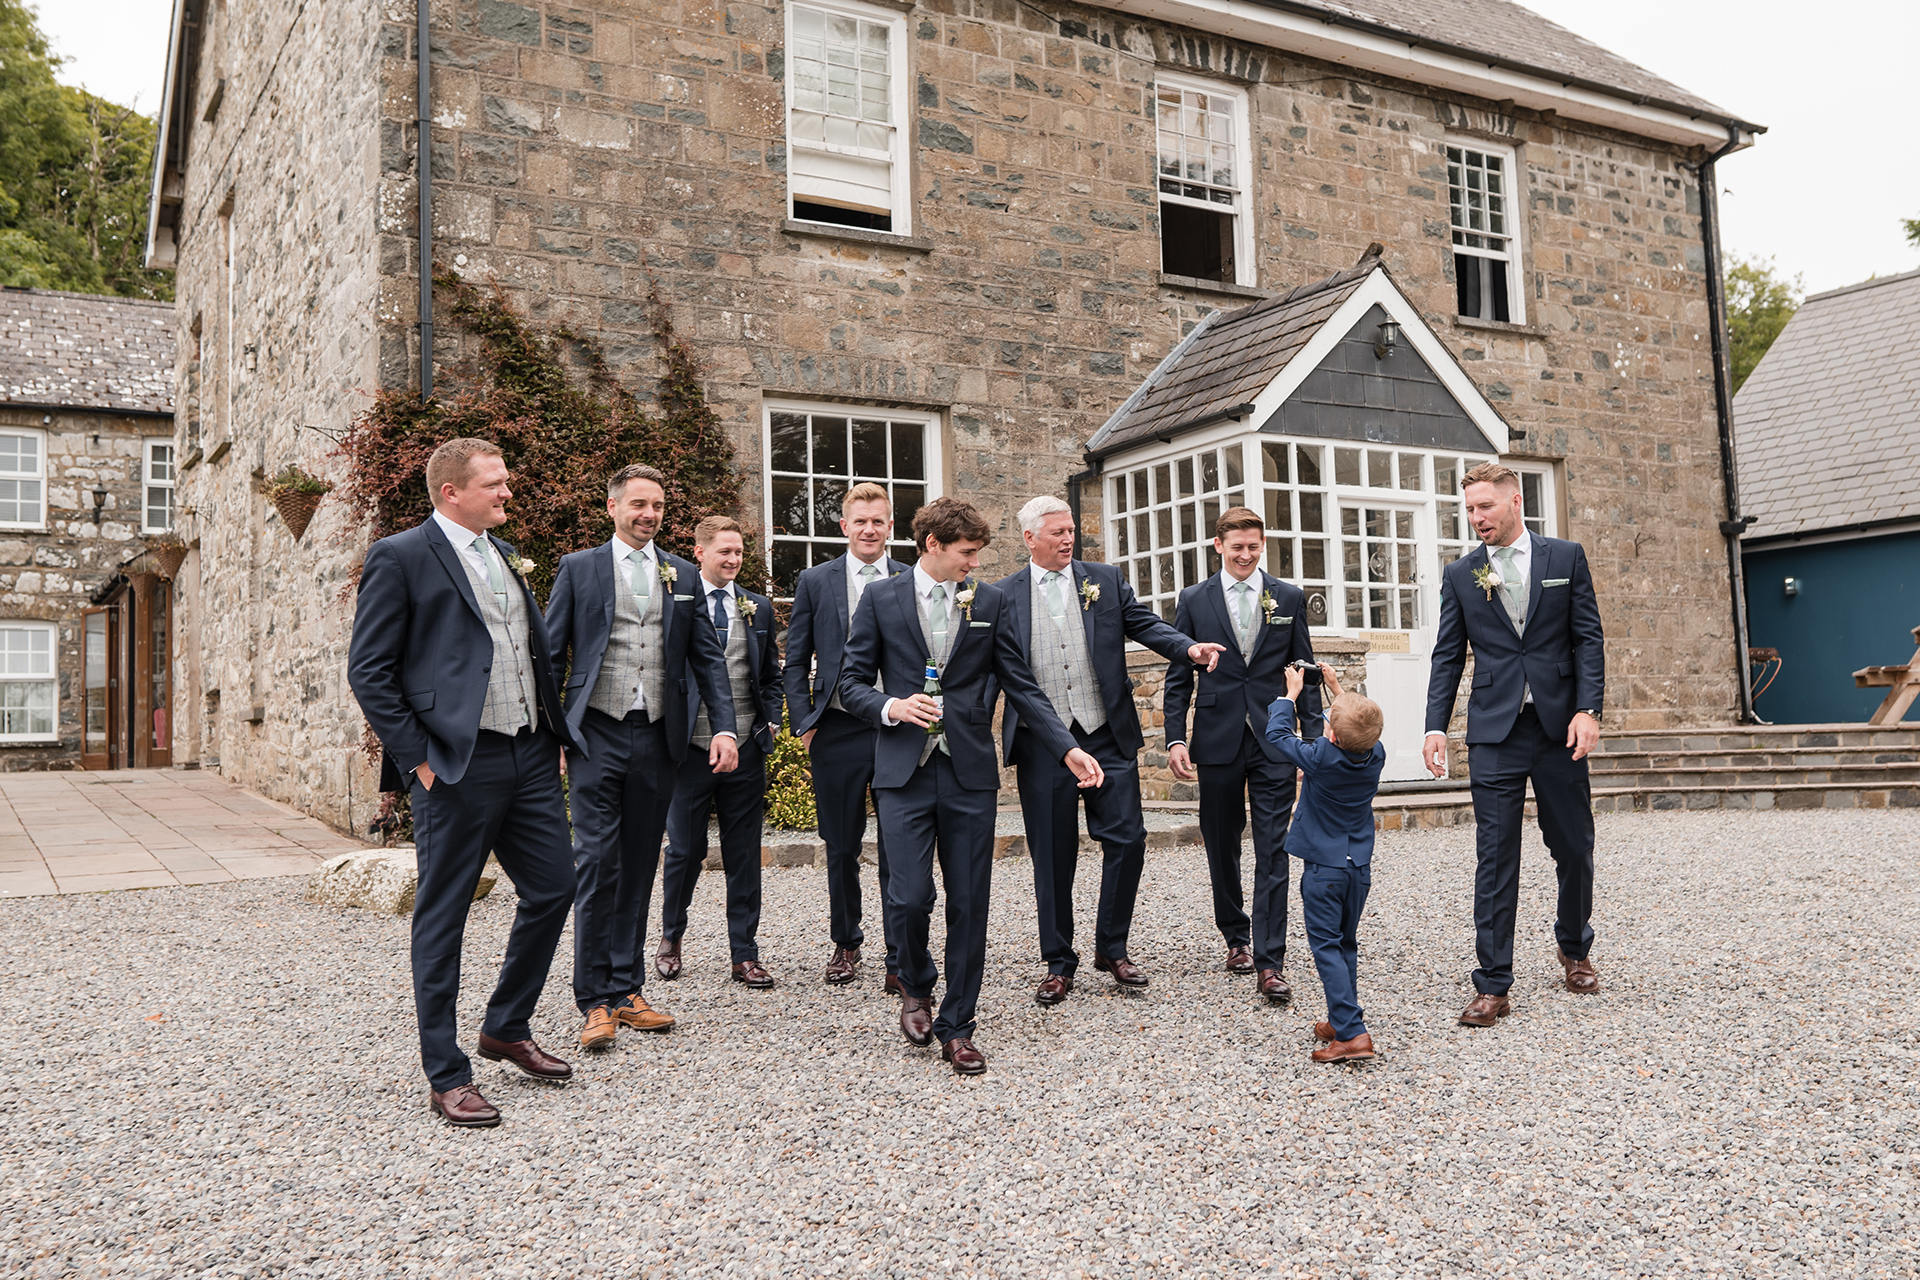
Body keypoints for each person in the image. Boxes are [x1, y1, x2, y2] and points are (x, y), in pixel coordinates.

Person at [346, 437, 579, 1128]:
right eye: (496, 483)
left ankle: (506, 1025)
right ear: (452, 492)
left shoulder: (503, 554)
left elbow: (524, 650)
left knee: (556, 886)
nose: (509, 492)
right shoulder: (401, 556)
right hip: (454, 764)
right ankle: (446, 1073)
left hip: (529, 755)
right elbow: (370, 671)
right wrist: (419, 758)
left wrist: (552, 732)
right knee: (443, 915)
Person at [838, 497, 1105, 1075]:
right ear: (932, 544)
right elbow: (851, 684)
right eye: (966, 554)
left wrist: (1069, 747)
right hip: (902, 773)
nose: (973, 566)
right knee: (908, 898)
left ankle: (958, 1025)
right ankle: (915, 985)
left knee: (969, 903)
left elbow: (1022, 684)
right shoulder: (881, 598)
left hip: (970, 777)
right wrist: (890, 706)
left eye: (978, 556)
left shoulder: (990, 601)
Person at [993, 496, 1224, 1004]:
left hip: (1107, 733)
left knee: (1128, 839)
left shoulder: (1105, 578)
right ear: (1029, 538)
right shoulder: (1000, 595)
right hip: (1043, 742)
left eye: (1071, 529)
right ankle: (1058, 961)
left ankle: (1112, 946)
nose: (1068, 538)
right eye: (1056, 532)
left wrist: (1188, 647)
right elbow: (994, 668)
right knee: (1053, 854)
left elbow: (1145, 625)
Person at [545, 464, 737, 1051]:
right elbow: (552, 655)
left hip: (658, 736)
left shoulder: (681, 572)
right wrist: (552, 733)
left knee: (637, 860)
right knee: (596, 860)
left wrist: (725, 729)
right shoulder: (579, 568)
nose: (648, 514)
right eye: (637, 505)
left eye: (656, 505)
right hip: (594, 732)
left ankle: (627, 990)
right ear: (612, 508)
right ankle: (593, 1000)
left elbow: (708, 659)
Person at [1423, 461, 1605, 1027]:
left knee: (1574, 846)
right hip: (1494, 732)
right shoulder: (1462, 574)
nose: (1476, 518)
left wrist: (1588, 709)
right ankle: (1493, 982)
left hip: (1558, 731)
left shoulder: (1565, 558)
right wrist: (1435, 725)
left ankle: (1574, 947)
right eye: (1470, 509)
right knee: (1495, 855)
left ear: (1515, 501)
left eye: (1485, 507)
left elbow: (1587, 638)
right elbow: (1448, 654)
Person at [1164, 506, 1322, 1003]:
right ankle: (1236, 936)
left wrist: (1313, 743)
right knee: (1221, 841)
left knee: (1274, 847)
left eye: (1254, 546)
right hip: (1216, 738)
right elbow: (1177, 677)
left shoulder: (1288, 597)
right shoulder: (1193, 599)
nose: (1247, 555)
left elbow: (1305, 671)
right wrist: (1175, 737)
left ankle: (1270, 960)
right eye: (1237, 547)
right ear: (1219, 547)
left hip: (1275, 740)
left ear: (1262, 545)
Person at [780, 482, 913, 989]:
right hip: (835, 728)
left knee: (899, 843)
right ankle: (846, 942)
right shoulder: (817, 580)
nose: (869, 529)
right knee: (841, 843)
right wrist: (806, 724)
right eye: (860, 520)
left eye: (878, 520)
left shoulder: (908, 577)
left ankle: (899, 955)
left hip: (896, 727)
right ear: (844, 526)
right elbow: (795, 659)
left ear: (890, 526)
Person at [656, 516, 784, 987]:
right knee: (685, 851)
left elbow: (770, 675)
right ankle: (671, 937)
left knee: (744, 852)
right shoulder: (677, 603)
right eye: (723, 552)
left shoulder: (758, 608)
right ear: (699, 551)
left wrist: (770, 719)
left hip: (747, 749)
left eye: (738, 553)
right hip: (690, 750)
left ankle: (744, 953)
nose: (732, 560)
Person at [1266, 662, 1386, 1063]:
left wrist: (1290, 695)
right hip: (1358, 868)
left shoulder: (1319, 756)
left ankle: (1352, 1034)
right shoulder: (1376, 753)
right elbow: (1356, 728)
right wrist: (1336, 688)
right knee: (1345, 941)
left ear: (1331, 734)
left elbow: (1278, 734)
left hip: (1323, 870)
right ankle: (1341, 1016)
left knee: (1327, 947)